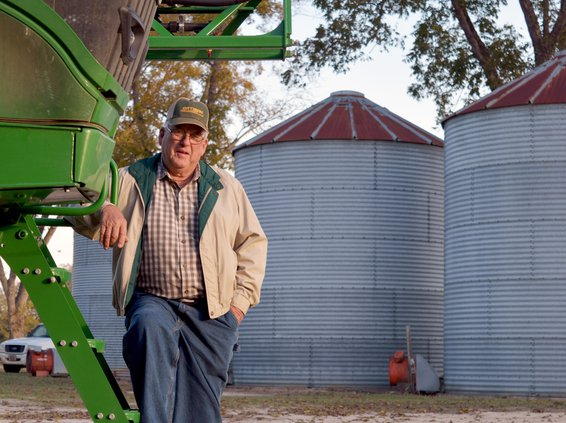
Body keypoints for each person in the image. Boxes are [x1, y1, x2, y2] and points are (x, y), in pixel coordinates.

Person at [70, 98, 267, 423]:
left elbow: (253, 244)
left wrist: (237, 307)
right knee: (148, 330)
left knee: (201, 410)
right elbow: (82, 205)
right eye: (178, 132)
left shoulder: (226, 188)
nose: (185, 142)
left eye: (194, 135)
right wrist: (106, 207)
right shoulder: (131, 179)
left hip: (211, 311)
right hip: (152, 301)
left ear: (204, 145)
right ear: (163, 135)